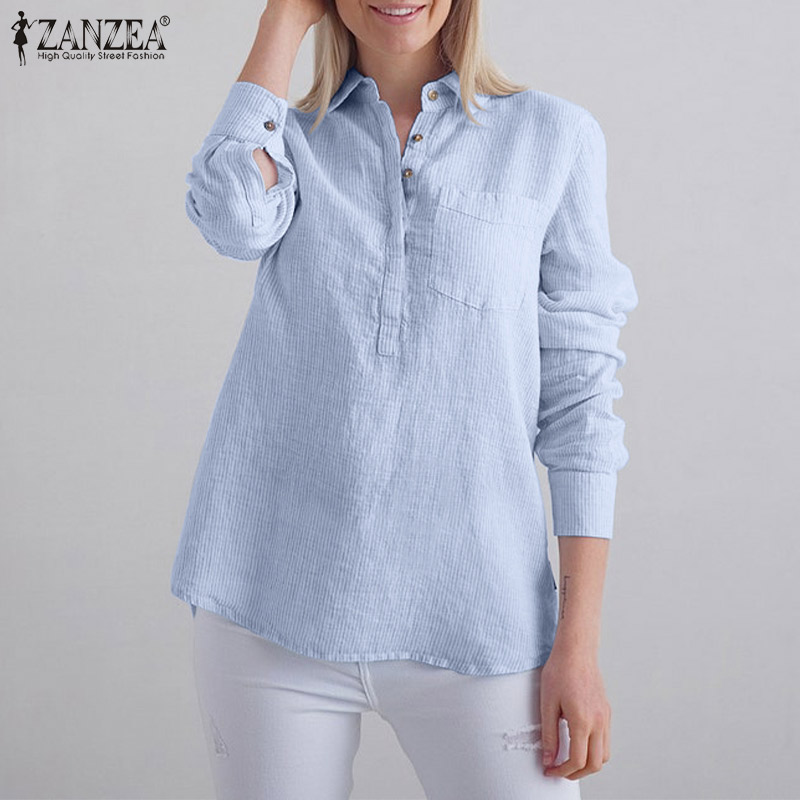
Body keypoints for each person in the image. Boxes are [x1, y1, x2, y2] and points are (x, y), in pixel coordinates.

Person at [170, 0, 639, 797]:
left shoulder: (553, 139)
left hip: (481, 611)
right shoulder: (290, 140)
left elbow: (581, 403)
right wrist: (282, 22)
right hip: (269, 599)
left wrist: (579, 645)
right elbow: (232, 217)